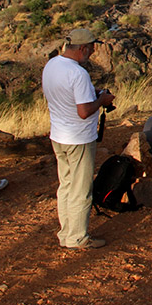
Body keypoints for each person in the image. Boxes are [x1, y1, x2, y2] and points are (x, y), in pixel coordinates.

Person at [42, 27, 115, 250]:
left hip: (59, 135)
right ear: (82, 48)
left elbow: (68, 94)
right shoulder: (78, 73)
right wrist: (101, 101)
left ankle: (66, 233)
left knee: (66, 185)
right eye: (92, 48)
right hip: (79, 138)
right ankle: (78, 238)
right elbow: (83, 111)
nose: (93, 52)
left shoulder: (52, 64)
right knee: (81, 189)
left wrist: (94, 91)